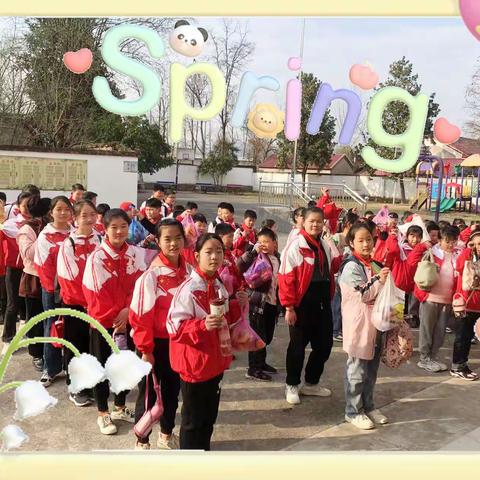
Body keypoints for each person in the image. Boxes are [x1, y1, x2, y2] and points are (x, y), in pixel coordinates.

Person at [166, 233, 247, 450]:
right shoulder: (189, 289)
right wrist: (202, 325)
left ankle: (204, 452)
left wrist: (239, 304)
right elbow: (173, 326)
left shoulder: (219, 284)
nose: (214, 257)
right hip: (195, 365)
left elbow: (226, 321)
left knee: (209, 416)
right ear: (196, 256)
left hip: (215, 362)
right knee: (192, 420)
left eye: (219, 251)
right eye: (208, 252)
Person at [83, 208, 148, 435]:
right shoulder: (96, 258)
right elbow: (94, 294)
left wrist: (128, 311)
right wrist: (115, 316)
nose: (119, 231)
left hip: (129, 320)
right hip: (103, 323)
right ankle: (103, 412)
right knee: (101, 368)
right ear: (105, 229)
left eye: (123, 227)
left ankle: (120, 406)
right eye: (114, 227)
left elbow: (142, 286)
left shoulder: (136, 255)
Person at [130, 219, 192, 450]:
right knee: (147, 393)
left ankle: (166, 434)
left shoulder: (189, 272)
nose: (174, 243)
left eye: (178, 238)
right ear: (158, 241)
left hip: (178, 343)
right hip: (154, 344)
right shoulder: (151, 276)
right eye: (167, 239)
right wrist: (145, 350)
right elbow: (140, 316)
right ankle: (142, 439)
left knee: (172, 391)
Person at [278, 207, 342, 405]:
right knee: (297, 347)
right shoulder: (296, 246)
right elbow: (286, 277)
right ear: (302, 222)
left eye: (319, 221)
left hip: (323, 303)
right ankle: (292, 384)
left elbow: (335, 267)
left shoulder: (323, 243)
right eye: (311, 221)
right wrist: (289, 307)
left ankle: (311, 383)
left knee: (324, 346)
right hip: (301, 304)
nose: (315, 224)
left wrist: (331, 242)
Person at [339, 221, 390, 430]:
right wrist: (380, 279)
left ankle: (368, 406)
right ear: (352, 243)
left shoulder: (374, 263)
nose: (366, 244)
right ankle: (352, 411)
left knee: (371, 370)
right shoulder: (351, 266)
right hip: (359, 326)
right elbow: (364, 293)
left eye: (369, 239)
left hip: (376, 324)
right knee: (357, 370)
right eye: (360, 240)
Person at [57, 200, 102, 406]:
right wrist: (86, 303)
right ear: (75, 218)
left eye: (92, 214)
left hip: (96, 305)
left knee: (93, 347)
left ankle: (91, 384)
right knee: (76, 346)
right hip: (77, 305)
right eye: (84, 215)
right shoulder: (69, 243)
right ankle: (76, 387)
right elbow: (68, 278)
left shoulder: (100, 238)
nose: (89, 219)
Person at [408, 225, 461, 373]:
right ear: (440, 239)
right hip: (430, 298)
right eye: (447, 241)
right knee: (426, 329)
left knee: (440, 331)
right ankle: (424, 358)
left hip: (447, 300)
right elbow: (411, 262)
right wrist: (422, 246)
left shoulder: (458, 254)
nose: (451, 244)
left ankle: (432, 356)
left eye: (454, 241)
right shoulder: (431, 252)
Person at [34, 195, 74, 386]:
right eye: (59, 209)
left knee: (72, 327)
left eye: (67, 209)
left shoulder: (75, 233)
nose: (63, 213)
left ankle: (69, 366)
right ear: (51, 212)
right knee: (51, 325)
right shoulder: (45, 235)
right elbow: (43, 266)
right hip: (53, 289)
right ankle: (50, 368)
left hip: (74, 291)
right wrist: (54, 290)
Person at [237, 228, 280, 381]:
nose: (264, 245)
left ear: (274, 243)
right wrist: (253, 251)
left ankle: (261, 363)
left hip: (272, 303)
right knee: (257, 336)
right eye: (261, 242)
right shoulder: (255, 256)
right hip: (258, 303)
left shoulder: (277, 258)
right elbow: (240, 265)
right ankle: (253, 368)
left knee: (267, 336)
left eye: (267, 242)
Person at [16, 195, 51, 372]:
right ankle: (36, 353)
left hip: (51, 276)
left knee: (50, 318)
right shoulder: (27, 229)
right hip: (34, 277)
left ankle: (49, 352)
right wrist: (45, 237)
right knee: (35, 318)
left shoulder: (49, 226)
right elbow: (28, 254)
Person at [1, 192, 31, 355]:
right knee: (12, 304)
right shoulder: (9, 224)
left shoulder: (37, 224)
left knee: (27, 302)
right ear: (18, 207)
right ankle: (7, 338)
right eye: (25, 205)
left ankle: (25, 330)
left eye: (30, 206)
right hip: (14, 268)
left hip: (30, 269)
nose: (28, 209)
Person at [450, 230, 480, 380]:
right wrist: (469, 249)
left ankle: (463, 364)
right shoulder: (466, 256)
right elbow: (460, 266)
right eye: (476, 243)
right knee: (463, 336)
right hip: (466, 304)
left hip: (477, 304)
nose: (479, 246)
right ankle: (457, 366)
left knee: (469, 337)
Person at [331, 211, 359, 342]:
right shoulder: (337, 237)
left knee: (343, 303)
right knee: (336, 304)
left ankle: (339, 328)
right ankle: (335, 330)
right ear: (348, 224)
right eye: (355, 223)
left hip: (346, 274)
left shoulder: (352, 238)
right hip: (338, 274)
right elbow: (333, 253)